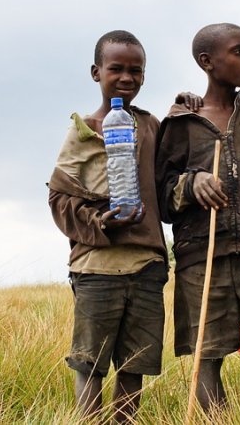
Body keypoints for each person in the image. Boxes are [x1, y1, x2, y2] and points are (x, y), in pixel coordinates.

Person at [155, 22, 240, 411]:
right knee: (207, 355)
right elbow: (162, 198)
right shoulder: (180, 124)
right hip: (202, 256)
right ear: (207, 62)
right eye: (238, 52)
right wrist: (191, 182)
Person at [47, 30, 168, 422]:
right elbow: (59, 199)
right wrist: (100, 221)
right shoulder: (83, 130)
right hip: (96, 267)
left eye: (136, 70)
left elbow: (168, 177)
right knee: (90, 363)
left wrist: (187, 108)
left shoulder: (151, 127)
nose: (127, 78)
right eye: (116, 69)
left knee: (135, 364)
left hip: (147, 265)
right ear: (96, 72)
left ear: (145, 77)